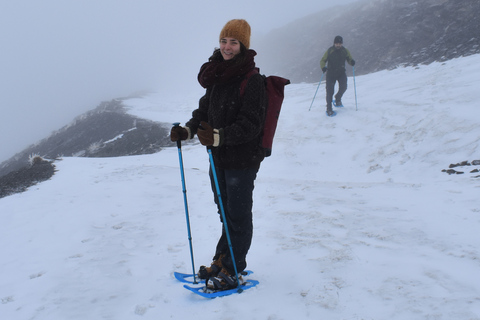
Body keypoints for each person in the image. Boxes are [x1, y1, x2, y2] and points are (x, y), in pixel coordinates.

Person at [170, 19, 266, 290]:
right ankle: (223, 261)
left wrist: (218, 136)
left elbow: (251, 124)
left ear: (243, 45)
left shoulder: (253, 80)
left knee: (238, 214)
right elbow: (204, 112)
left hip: (242, 159)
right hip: (218, 157)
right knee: (226, 212)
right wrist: (187, 131)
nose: (226, 47)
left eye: (233, 42)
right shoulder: (217, 76)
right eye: (223, 41)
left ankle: (234, 269)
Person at [320, 35, 355, 116]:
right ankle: (329, 109)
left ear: (342, 43)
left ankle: (338, 98)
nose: (338, 45)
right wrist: (323, 67)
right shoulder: (330, 51)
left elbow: (349, 59)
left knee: (344, 87)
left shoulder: (345, 51)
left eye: (340, 43)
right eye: (337, 43)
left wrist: (352, 62)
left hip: (341, 73)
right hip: (330, 74)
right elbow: (323, 60)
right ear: (334, 43)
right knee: (329, 91)